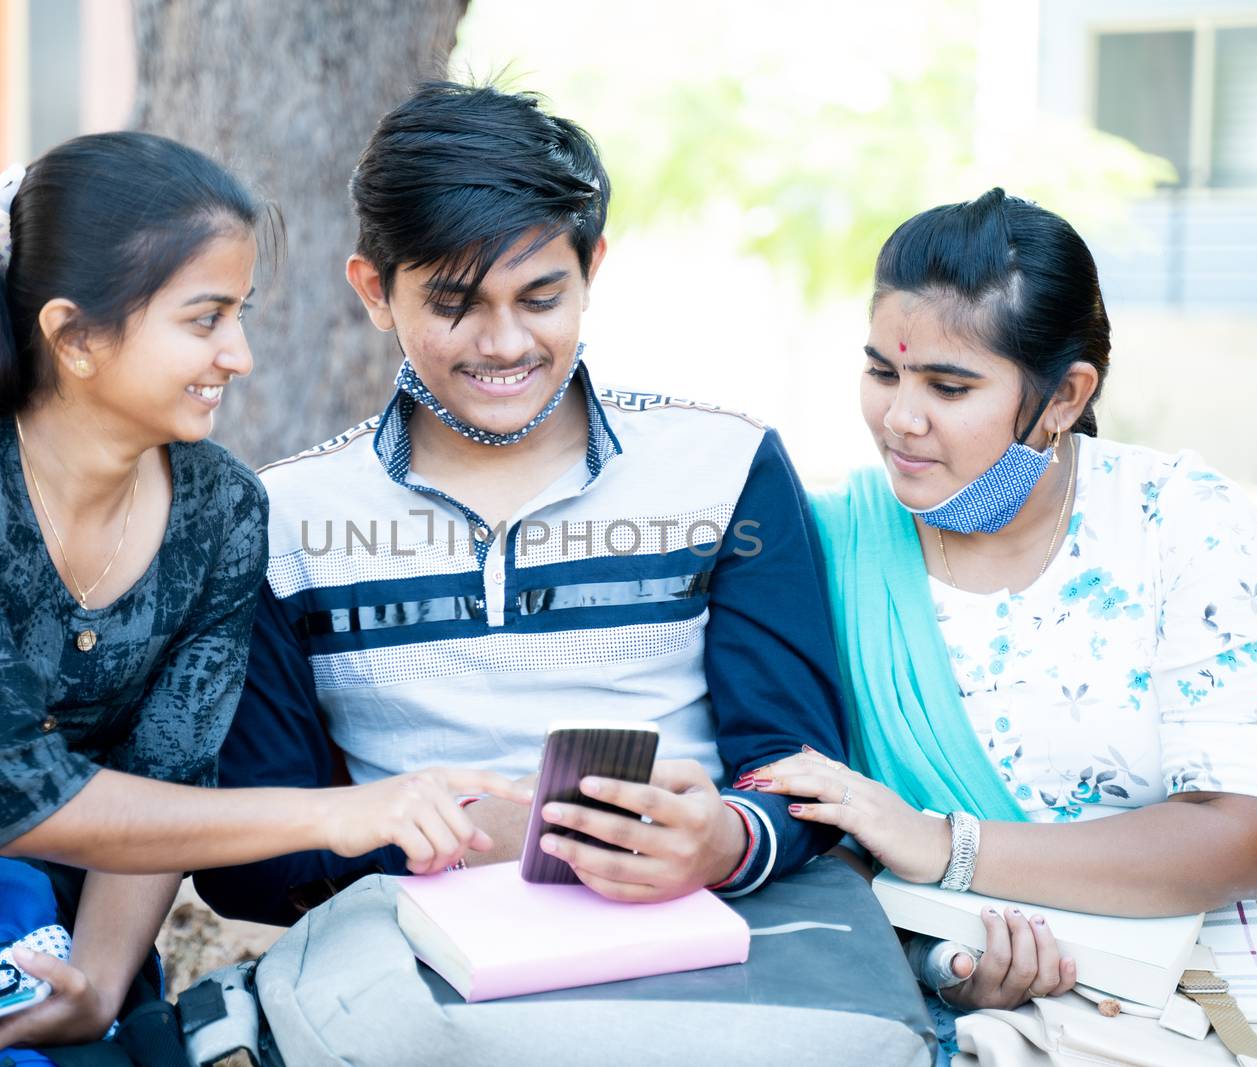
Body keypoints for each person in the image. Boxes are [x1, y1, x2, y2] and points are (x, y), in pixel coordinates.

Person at [0, 130, 521, 1066]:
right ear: (74, 336)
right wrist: (343, 811)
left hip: (44, 915)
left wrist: (95, 988)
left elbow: (171, 770)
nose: (241, 354)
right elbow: (19, 790)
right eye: (205, 319)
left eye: (241, 313)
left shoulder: (223, 508)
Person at [196, 82, 849, 925]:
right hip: (417, 962)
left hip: (702, 938)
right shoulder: (281, 517)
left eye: (541, 299)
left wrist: (725, 837)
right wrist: (461, 837)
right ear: (373, 290)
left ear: (593, 270)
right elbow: (251, 856)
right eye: (454, 305)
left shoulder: (724, 466)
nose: (504, 343)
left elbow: (800, 772)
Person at [741, 189, 1257, 1060]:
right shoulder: (831, 544)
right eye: (884, 371)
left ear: (1063, 394)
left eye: (949, 385)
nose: (900, 417)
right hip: (951, 1001)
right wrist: (950, 963)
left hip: (1195, 986)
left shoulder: (1177, 520)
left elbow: (1241, 837)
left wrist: (950, 847)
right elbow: (828, 834)